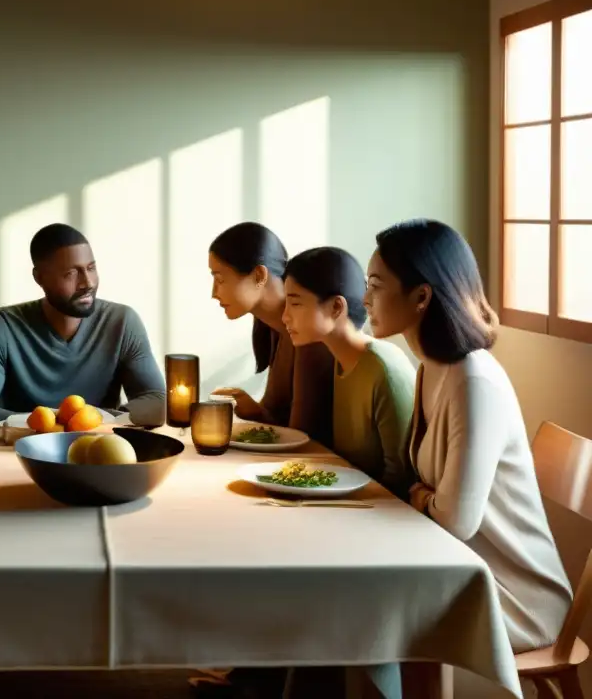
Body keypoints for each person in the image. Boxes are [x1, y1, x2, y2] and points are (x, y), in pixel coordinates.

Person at [367, 218, 571, 652]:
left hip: (515, 597)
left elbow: (456, 521)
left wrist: (420, 497)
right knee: (358, 586)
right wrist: (424, 498)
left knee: (368, 601)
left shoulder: (473, 382)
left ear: (421, 296)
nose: (365, 298)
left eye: (376, 285)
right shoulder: (431, 369)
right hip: (457, 567)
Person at [0, 223, 166, 426]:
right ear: (40, 278)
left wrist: (99, 420)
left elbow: (157, 402)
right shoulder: (3, 326)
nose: (88, 283)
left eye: (91, 268)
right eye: (71, 274)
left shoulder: (122, 322)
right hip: (16, 452)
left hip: (96, 452)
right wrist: (51, 425)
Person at [282, 246, 416, 497]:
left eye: (295, 303)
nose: (285, 317)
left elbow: (401, 480)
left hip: (385, 515)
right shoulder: (339, 360)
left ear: (335, 308)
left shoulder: (383, 368)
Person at [207, 222, 334, 445]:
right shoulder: (273, 329)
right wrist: (255, 411)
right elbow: (279, 421)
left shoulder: (307, 333)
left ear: (259, 275)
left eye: (219, 279)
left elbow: (302, 438)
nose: (214, 294)